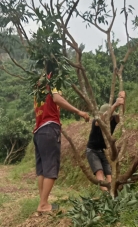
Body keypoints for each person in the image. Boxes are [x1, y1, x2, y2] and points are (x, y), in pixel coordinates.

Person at [33, 83, 90, 212]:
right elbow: (57, 98)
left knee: (42, 169)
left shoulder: (38, 88)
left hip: (38, 131)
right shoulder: (52, 82)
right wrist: (78, 111)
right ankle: (43, 205)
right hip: (49, 129)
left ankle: (42, 203)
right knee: (52, 166)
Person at [86, 92, 125, 191]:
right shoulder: (97, 121)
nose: (111, 117)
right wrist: (115, 104)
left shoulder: (113, 120)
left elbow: (121, 114)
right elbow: (103, 118)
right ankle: (105, 194)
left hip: (104, 151)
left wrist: (122, 101)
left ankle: (111, 192)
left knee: (109, 173)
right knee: (99, 172)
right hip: (92, 150)